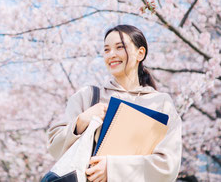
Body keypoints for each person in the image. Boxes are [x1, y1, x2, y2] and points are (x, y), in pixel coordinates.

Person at [47, 25, 182, 182]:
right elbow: (55, 148)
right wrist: (82, 121)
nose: (112, 54)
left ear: (140, 53)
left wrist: (112, 168)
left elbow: (168, 166)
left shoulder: (161, 103)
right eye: (106, 50)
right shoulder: (88, 96)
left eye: (120, 47)